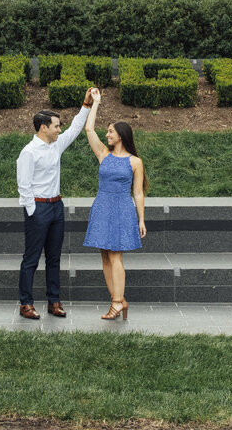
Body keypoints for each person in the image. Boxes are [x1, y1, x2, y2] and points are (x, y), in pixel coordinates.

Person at [16, 89, 93, 320]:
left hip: (57, 207)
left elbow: (75, 129)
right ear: (44, 128)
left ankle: (54, 301)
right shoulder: (29, 152)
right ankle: (26, 304)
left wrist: (86, 105)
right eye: (56, 126)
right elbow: (23, 185)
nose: (60, 130)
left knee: (54, 258)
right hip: (38, 209)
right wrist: (33, 211)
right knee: (31, 258)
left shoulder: (56, 145)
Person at [82, 87, 147, 320]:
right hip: (102, 206)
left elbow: (138, 193)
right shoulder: (103, 154)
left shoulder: (135, 162)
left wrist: (141, 220)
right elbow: (89, 129)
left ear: (121, 135)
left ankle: (118, 302)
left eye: (110, 131)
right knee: (104, 255)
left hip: (121, 208)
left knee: (115, 255)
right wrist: (95, 103)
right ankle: (116, 300)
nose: (107, 134)